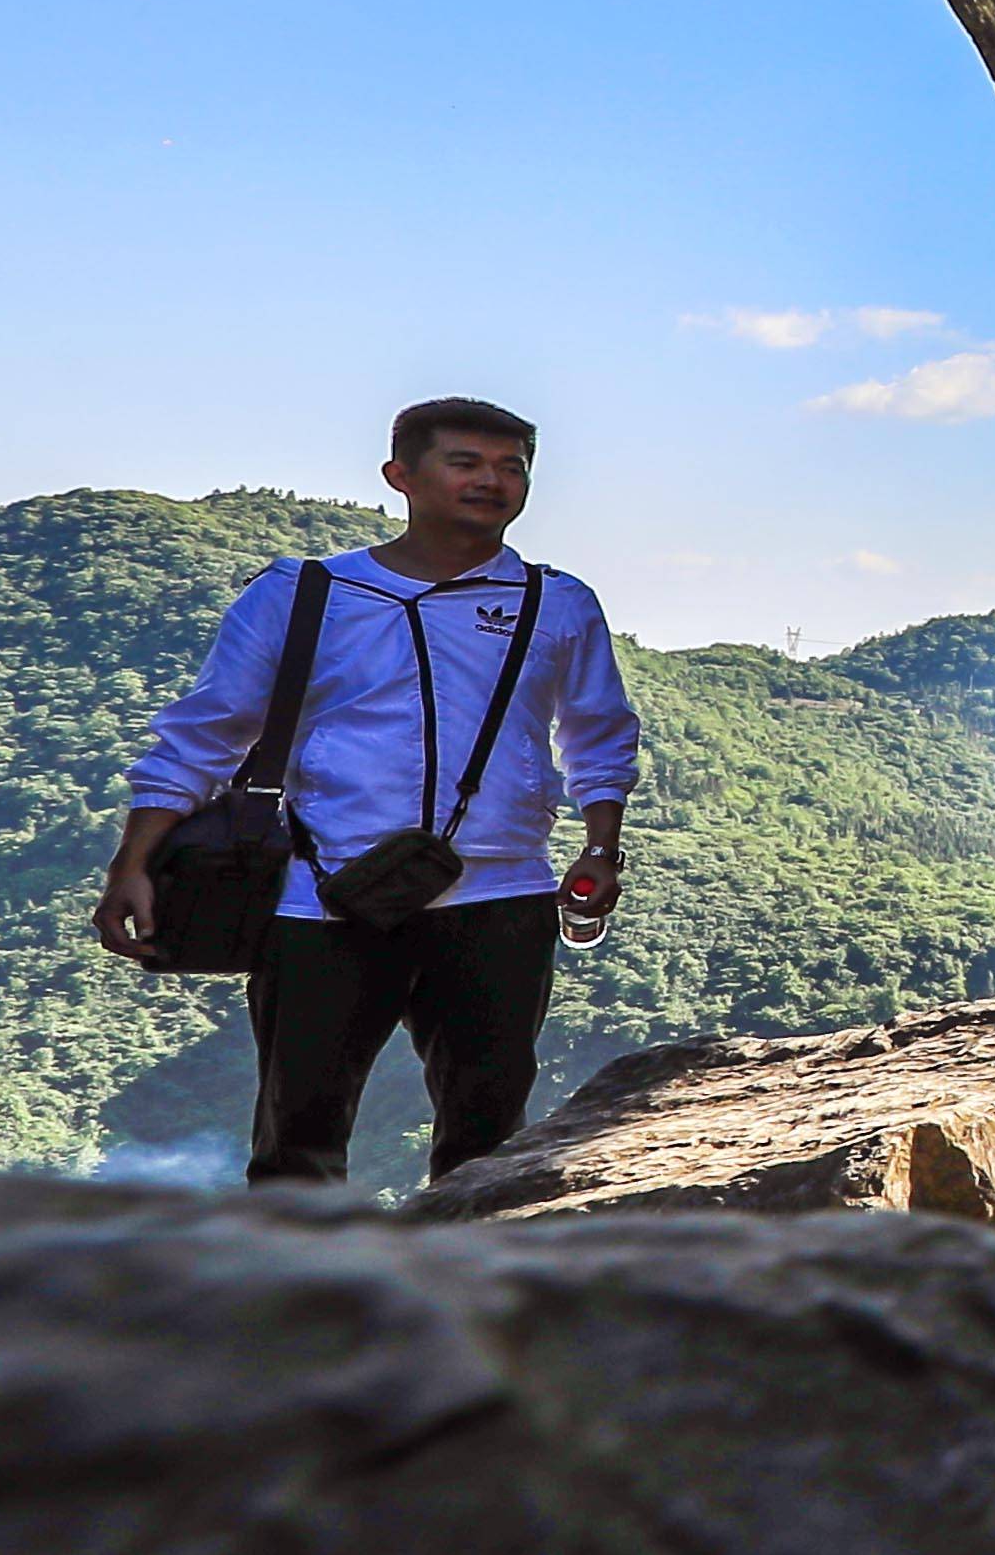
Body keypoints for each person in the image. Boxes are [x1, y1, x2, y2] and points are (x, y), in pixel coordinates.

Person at [93, 398, 640, 1182]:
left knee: (488, 1136)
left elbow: (597, 734)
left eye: (511, 467)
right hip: (322, 896)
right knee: (298, 1137)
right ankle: (308, 1296)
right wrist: (132, 864)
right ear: (401, 476)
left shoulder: (556, 603)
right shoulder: (303, 593)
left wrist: (600, 849)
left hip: (500, 895)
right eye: (466, 463)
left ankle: (470, 1292)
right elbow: (205, 734)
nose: (492, 481)